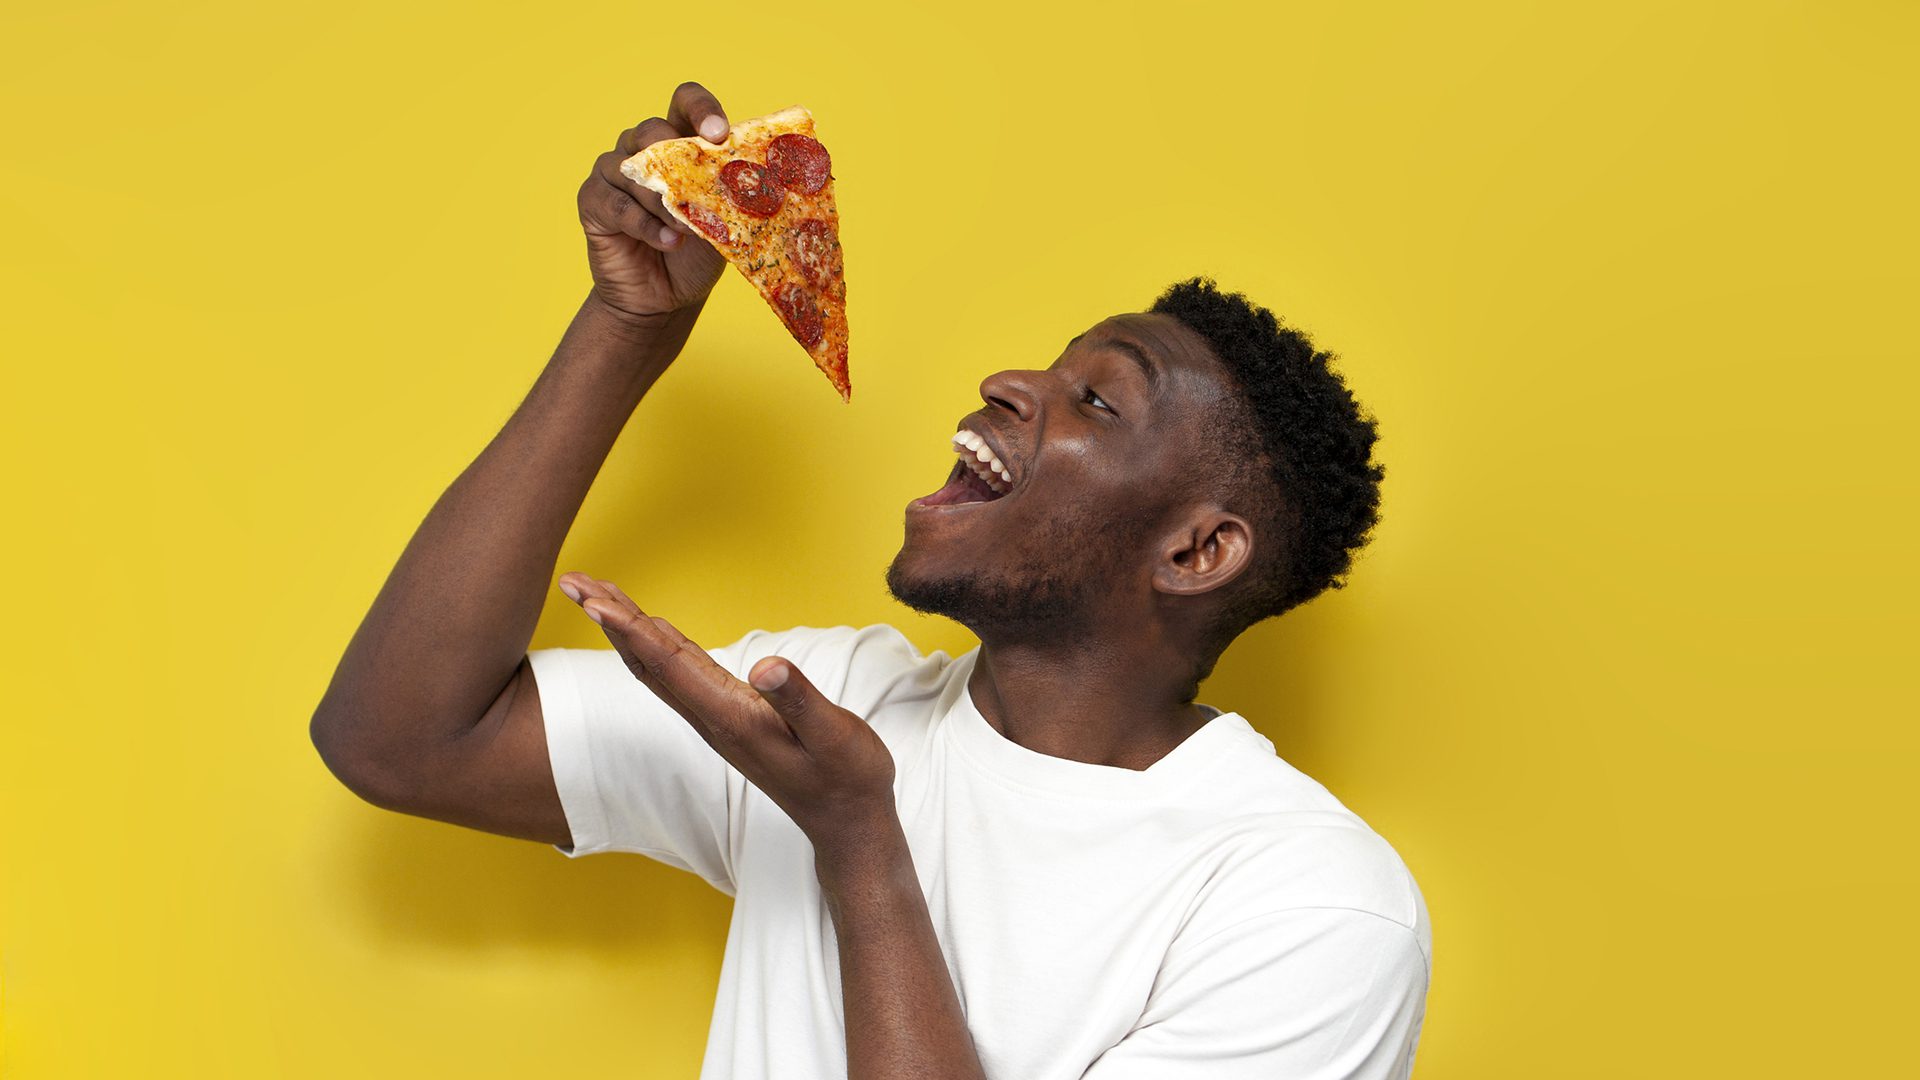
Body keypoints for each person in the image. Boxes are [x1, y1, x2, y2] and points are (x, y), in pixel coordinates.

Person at [310, 81, 1430, 1080]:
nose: (1011, 380)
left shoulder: (1310, 905)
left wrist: (857, 841)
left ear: (1195, 553)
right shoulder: (835, 701)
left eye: (1097, 401)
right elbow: (400, 739)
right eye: (1053, 363)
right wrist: (628, 325)